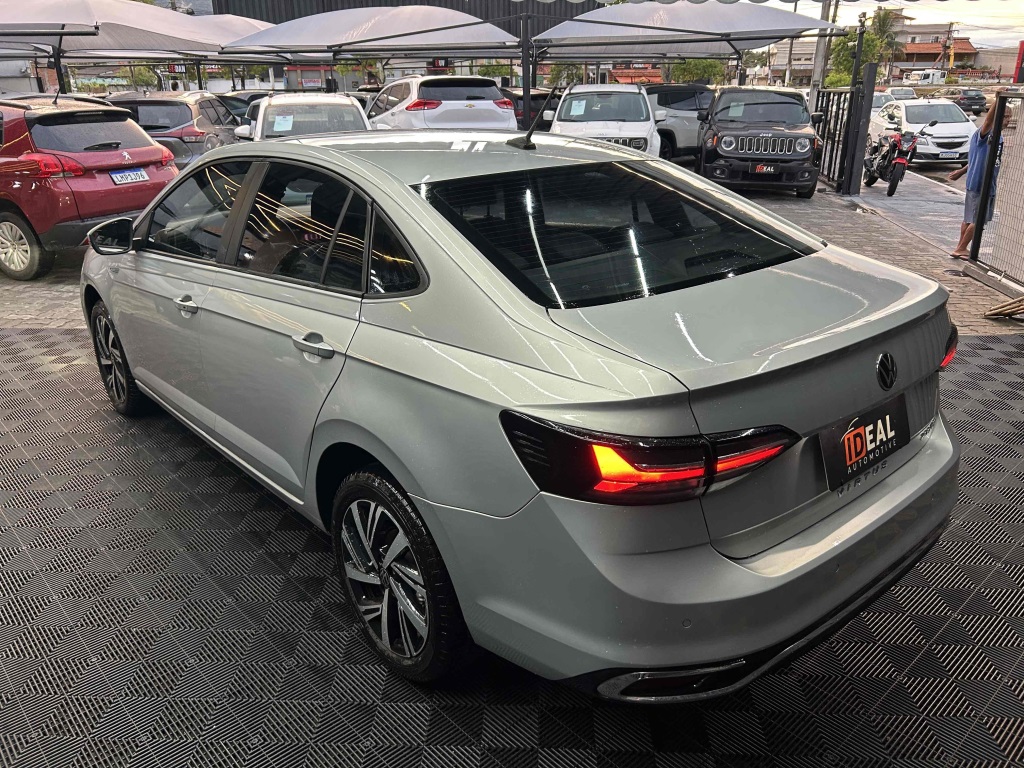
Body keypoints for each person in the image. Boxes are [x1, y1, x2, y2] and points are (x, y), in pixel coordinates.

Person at [948, 105, 1012, 258]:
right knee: (979, 219)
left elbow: (977, 157)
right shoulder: (986, 132)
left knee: (970, 218)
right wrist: (997, 99)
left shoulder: (998, 137)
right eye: (1004, 116)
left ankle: (960, 248)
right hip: (981, 184)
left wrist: (962, 171)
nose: (1008, 120)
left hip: (981, 183)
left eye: (1009, 117)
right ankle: (961, 248)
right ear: (996, 116)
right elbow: (988, 121)